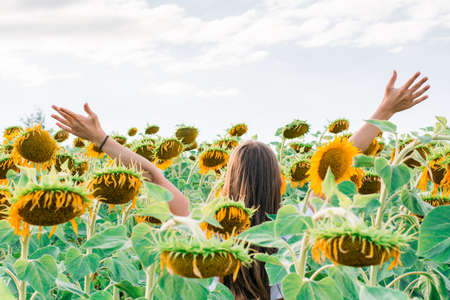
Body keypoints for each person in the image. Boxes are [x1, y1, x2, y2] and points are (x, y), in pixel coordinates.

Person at [51, 70, 429, 300]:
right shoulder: (296, 231)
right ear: (280, 182)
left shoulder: (205, 232)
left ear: (227, 181)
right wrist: (385, 112)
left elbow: (156, 176)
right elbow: (339, 161)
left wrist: (101, 140)